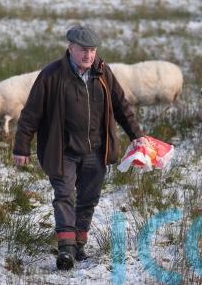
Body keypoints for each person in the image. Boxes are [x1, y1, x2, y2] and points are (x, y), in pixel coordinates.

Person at [13, 25, 147, 270]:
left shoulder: (103, 73)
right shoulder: (52, 75)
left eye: (92, 50)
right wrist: (21, 147)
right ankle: (65, 249)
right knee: (64, 195)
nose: (88, 55)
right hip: (62, 150)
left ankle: (79, 242)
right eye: (83, 50)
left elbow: (121, 105)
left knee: (88, 199)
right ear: (70, 48)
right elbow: (31, 113)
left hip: (96, 150)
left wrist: (136, 135)